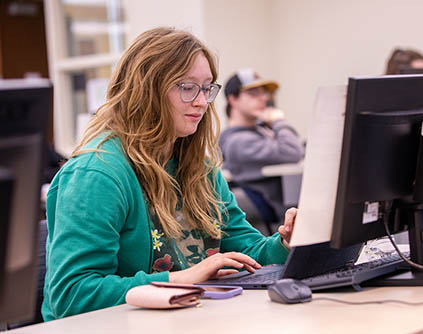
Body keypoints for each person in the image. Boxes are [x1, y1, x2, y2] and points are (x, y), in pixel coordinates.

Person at [42, 27, 297, 321]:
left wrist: (286, 243)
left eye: (206, 88)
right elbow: (72, 294)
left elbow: (247, 249)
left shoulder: (197, 167)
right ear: (146, 90)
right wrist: (183, 279)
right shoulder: (97, 174)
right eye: (187, 88)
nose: (202, 102)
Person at [219, 69, 305, 224]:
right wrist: (279, 122)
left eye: (264, 93)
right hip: (276, 224)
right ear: (233, 99)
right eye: (253, 93)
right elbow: (293, 152)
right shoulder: (238, 142)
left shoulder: (260, 130)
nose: (264, 98)